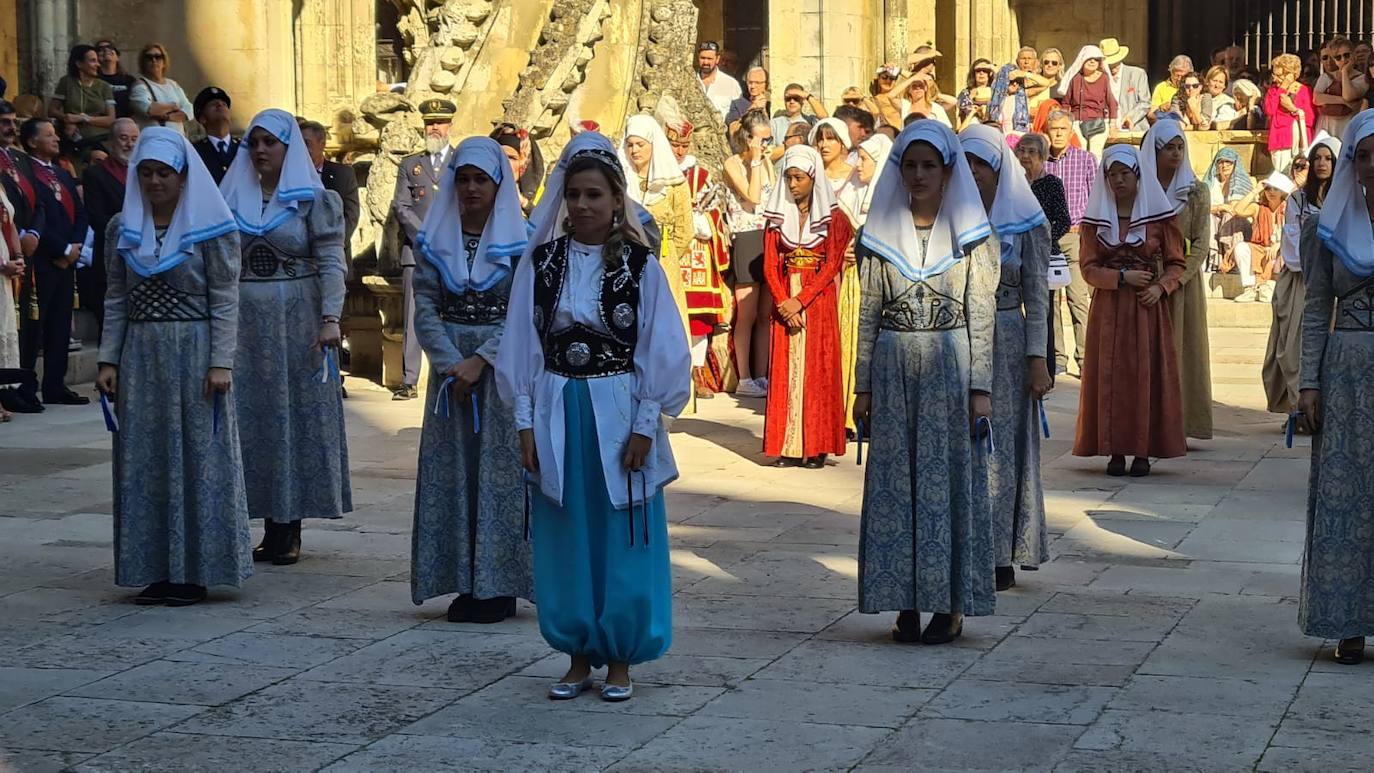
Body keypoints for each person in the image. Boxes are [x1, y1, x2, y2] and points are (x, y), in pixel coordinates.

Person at [496, 132, 690, 702]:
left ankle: (622, 657)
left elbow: (661, 345)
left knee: (622, 526)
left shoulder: (638, 264)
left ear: (615, 201)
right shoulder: (543, 264)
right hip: (558, 403)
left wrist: (645, 423)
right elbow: (521, 347)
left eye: (594, 196)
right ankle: (578, 651)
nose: (582, 206)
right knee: (566, 527)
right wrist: (525, 422)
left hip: (617, 404)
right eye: (574, 195)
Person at [852, 120, 999, 644]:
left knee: (945, 485)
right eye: (910, 165)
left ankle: (948, 603)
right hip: (892, 371)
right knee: (896, 485)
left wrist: (980, 389)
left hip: (948, 368)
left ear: (946, 171)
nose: (918, 175)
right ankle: (905, 601)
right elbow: (868, 312)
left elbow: (980, 315)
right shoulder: (878, 234)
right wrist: (862, 386)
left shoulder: (971, 237)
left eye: (928, 166)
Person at [95, 127, 250, 606]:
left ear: (183, 177)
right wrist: (107, 357)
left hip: (194, 352)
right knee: (145, 458)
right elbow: (117, 295)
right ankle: (154, 567)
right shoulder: (123, 228)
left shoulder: (212, 227)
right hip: (142, 355)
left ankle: (194, 571)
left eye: (164, 172)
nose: (155, 181)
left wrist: (221, 361)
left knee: (196, 456)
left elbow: (225, 298)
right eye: (146, 173)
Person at [220, 108, 351, 564]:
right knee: (250, 415)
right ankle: (256, 517)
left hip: (298, 319)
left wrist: (331, 317)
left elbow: (332, 260)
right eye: (253, 142)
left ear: (287, 148)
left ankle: (288, 525)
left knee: (292, 417)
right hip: (243, 322)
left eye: (269, 143)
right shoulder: (231, 196)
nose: (260, 150)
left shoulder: (314, 200)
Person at [409, 136, 532, 622]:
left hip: (500, 370)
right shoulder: (435, 240)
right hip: (449, 376)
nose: (471, 188)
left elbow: (523, 311)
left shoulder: (521, 242)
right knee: (453, 472)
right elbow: (425, 306)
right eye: (463, 179)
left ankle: (498, 583)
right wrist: (446, 363)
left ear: (499, 182)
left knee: (499, 472)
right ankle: (461, 576)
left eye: (481, 178)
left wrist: (481, 359)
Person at [1297, 109, 1374, 665]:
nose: (1372, 166)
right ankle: (1348, 619)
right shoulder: (1328, 224)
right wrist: (1309, 383)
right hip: (1347, 368)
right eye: (1363, 155)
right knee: (1348, 492)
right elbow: (1317, 305)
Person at [960, 123, 1052, 591]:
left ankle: (1001, 552)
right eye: (967, 163)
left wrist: (1039, 358)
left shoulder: (1029, 222)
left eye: (983, 164)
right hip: (958, 337)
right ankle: (967, 542)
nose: (974, 172)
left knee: (1004, 446)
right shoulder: (951, 217)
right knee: (966, 445)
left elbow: (1038, 296)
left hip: (1008, 340)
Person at [1073, 144, 1187, 477]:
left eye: (1125, 174)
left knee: (1144, 376)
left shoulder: (1160, 218)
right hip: (1108, 309)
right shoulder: (1094, 221)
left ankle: (1142, 450)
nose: (1119, 181)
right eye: (1112, 175)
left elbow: (1177, 263)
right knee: (1110, 376)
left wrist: (1159, 287)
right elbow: (1088, 268)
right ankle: (1114, 449)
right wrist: (1121, 277)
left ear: (1138, 176)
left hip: (1146, 311)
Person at [761, 144, 851, 469]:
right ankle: (787, 445)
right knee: (785, 372)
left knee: (818, 371)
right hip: (785, 296)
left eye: (799, 177)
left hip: (817, 300)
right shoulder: (777, 218)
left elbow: (831, 264)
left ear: (813, 178)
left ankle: (816, 446)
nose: (793, 184)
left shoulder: (834, 218)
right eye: (789, 178)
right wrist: (784, 301)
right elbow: (771, 264)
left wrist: (802, 300)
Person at [1139, 119, 1213, 440]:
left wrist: (1177, 278)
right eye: (1169, 147)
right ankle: (1144, 421)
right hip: (1145, 278)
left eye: (1180, 146)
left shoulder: (1196, 191)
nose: (1176, 153)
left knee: (1182, 351)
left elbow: (1200, 242)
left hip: (1181, 283)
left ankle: (1179, 424)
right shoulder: (1141, 188)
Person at [1264, 134, 1338, 416]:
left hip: (1336, 279)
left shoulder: (1346, 196)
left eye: (1327, 159)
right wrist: (1310, 270)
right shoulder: (1297, 199)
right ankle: (1299, 408)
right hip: (1300, 277)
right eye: (1316, 159)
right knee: (1292, 346)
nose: (1321, 164)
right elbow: (1292, 238)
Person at [661, 106, 732, 397]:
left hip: (697, 253)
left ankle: (697, 371)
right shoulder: (656, 174)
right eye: (674, 144)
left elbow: (718, 215)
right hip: (666, 250)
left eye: (683, 145)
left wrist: (699, 221)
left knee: (699, 317)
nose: (679, 151)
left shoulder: (701, 176)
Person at [17, 118, 89, 406]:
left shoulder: (60, 172)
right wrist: (60, 249)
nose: (56, 138)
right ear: (33, 141)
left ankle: (55, 385)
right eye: (48, 134)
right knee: (36, 327)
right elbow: (37, 215)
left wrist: (74, 248)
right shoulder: (27, 173)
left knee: (61, 325)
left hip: (67, 260)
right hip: (43, 261)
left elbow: (81, 213)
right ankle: (26, 386)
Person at [392, 98, 456, 400]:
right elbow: (402, 207)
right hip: (416, 250)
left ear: (449, 126)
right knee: (414, 316)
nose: (434, 127)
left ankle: (449, 371)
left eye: (439, 122)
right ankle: (409, 379)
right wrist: (426, 236)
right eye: (429, 122)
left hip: (453, 250)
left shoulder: (460, 162)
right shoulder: (410, 165)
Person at [722, 110, 776, 398]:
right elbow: (752, 197)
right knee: (747, 312)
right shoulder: (733, 163)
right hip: (745, 235)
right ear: (749, 137)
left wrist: (762, 160)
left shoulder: (767, 162)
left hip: (767, 234)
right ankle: (744, 377)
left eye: (769, 140)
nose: (766, 145)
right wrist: (754, 161)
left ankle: (762, 373)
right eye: (762, 139)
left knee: (765, 313)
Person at [1043, 110, 1097, 375]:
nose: (1058, 134)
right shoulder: (1041, 163)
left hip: (1076, 235)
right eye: (1053, 129)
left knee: (1078, 297)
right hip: (1048, 238)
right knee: (1051, 301)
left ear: (1071, 130)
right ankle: (1058, 358)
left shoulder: (1086, 160)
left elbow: (1096, 197)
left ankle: (1086, 358)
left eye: (1063, 129)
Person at [80, 117, 139, 338]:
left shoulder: (145, 172)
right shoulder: (96, 174)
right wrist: (132, 228)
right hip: (110, 255)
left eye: (134, 139)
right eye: (124, 139)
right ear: (111, 142)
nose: (129, 144)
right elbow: (96, 218)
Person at [300, 120, 360, 270]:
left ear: (322, 143)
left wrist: (332, 246)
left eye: (306, 143)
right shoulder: (289, 176)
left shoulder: (343, 174)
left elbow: (351, 216)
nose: (301, 148)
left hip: (336, 259)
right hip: (300, 262)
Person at [1230, 172, 1294, 303]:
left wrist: (1278, 244)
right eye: (1268, 188)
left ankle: (1267, 286)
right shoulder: (1258, 208)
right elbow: (1238, 210)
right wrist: (1256, 190)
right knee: (1241, 248)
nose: (1271, 192)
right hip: (1259, 249)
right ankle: (1250, 288)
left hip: (1280, 251)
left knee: (1281, 256)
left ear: (1282, 191)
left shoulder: (1289, 208)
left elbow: (1293, 232)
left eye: (1275, 189)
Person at [49, 44, 117, 151]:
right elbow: (52, 110)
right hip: (72, 139)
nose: (97, 65)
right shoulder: (66, 82)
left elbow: (111, 119)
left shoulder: (104, 86)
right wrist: (67, 119)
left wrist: (84, 118)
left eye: (97, 61)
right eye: (92, 61)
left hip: (99, 140)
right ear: (79, 63)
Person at [1204, 147, 1256, 281]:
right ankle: (1214, 262)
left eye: (1229, 162)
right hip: (1214, 217)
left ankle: (1231, 259)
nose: (1224, 165)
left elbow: (1237, 208)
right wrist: (1219, 207)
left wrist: (1226, 209)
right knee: (1208, 218)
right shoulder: (1211, 182)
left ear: (1235, 164)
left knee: (1231, 217)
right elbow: (1202, 206)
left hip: (1236, 220)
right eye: (1221, 162)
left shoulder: (1241, 181)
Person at [1058, 45, 1119, 157]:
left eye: (1096, 59)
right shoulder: (1075, 79)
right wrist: (1065, 123)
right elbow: (1066, 103)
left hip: (1098, 123)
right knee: (1079, 153)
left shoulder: (1104, 78)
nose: (1092, 61)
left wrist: (1113, 126)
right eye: (1089, 58)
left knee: (1095, 155)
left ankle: (1095, 175)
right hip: (1076, 122)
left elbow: (1112, 103)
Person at [1265, 53, 1316, 174]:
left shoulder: (1304, 90)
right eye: (1274, 75)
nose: (1274, 79)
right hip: (1280, 140)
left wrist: (1293, 109)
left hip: (1299, 142)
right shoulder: (1273, 91)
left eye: (1279, 75)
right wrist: (1282, 87)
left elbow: (1311, 119)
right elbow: (1270, 110)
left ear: (1291, 75)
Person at [128, 43, 194, 136]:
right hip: (155, 139)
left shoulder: (173, 84)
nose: (154, 60)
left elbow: (189, 110)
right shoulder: (140, 85)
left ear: (164, 61)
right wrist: (173, 106)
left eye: (158, 57)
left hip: (178, 139)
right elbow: (150, 110)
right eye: (149, 57)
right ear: (143, 62)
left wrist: (166, 116)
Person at [1312, 38, 1368, 140]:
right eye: (1338, 57)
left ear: (1353, 55)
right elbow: (1316, 98)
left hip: (1347, 125)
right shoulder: (1326, 77)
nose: (1343, 60)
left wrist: (1345, 72)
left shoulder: (1362, 79)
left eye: (1346, 55)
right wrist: (1342, 101)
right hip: (1326, 126)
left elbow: (1348, 96)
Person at [191, 86, 238, 184]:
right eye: (213, 104)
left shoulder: (244, 148)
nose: (220, 105)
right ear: (202, 119)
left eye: (224, 104)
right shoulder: (194, 152)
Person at [1103, 37, 1150, 131]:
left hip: (1135, 128)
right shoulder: (1100, 78)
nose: (1112, 65)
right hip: (1108, 130)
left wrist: (1130, 118)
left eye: (1115, 62)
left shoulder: (1137, 74)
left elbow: (1145, 103)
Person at [697, 41, 741, 121]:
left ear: (717, 59)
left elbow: (738, 115)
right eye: (702, 58)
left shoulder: (731, 84)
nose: (705, 62)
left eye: (709, 59)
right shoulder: (689, 82)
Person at [94, 39, 136, 119]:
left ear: (117, 56)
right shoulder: (93, 81)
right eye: (101, 49)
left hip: (126, 124)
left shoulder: (129, 80)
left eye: (110, 47)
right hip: (101, 124)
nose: (106, 50)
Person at [1148, 55, 1194, 124]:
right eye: (1177, 75)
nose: (1179, 79)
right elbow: (1150, 114)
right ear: (1171, 72)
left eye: (1183, 76)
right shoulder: (1161, 87)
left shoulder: (1194, 86)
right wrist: (1161, 108)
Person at [726, 66, 770, 134]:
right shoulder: (737, 104)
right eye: (750, 82)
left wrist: (764, 110)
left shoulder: (770, 106)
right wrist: (752, 108)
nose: (752, 86)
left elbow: (770, 132)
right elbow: (732, 131)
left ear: (766, 85)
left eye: (757, 83)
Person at [990, 64, 1030, 134]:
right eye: (1011, 81)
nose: (1015, 84)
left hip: (1018, 137)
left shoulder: (1022, 98)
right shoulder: (993, 99)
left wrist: (1025, 74)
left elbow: (1045, 83)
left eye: (1018, 81)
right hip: (999, 137)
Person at [957, 59, 996, 129]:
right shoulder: (965, 93)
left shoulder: (996, 92)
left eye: (985, 70)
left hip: (989, 128)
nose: (981, 73)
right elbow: (960, 115)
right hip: (969, 128)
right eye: (978, 71)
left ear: (990, 73)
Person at [1030, 48, 1065, 113]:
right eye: (1046, 62)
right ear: (1041, 65)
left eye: (1054, 63)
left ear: (1059, 66)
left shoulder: (1063, 88)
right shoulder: (1032, 84)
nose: (1050, 65)